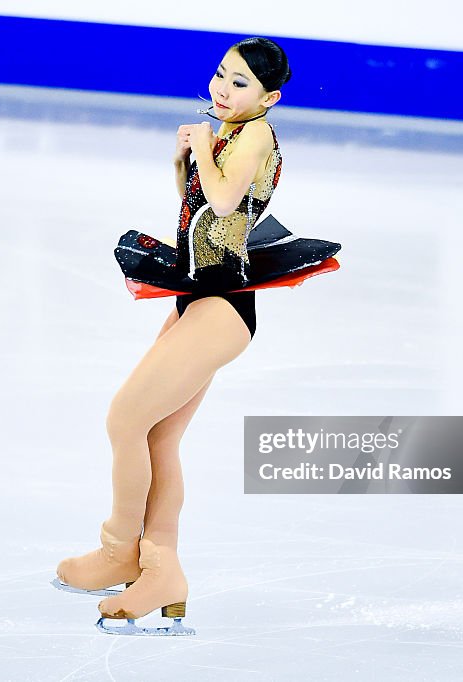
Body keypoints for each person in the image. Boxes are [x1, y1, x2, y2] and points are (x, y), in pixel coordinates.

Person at [55, 37, 293, 634]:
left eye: (239, 83)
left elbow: (224, 196)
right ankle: (161, 570)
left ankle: (120, 553)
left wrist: (205, 151)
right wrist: (184, 161)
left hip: (224, 304)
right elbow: (197, 217)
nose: (222, 88)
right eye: (220, 75)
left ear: (269, 96)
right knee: (156, 436)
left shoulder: (257, 133)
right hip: (199, 295)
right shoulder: (232, 135)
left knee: (124, 419)